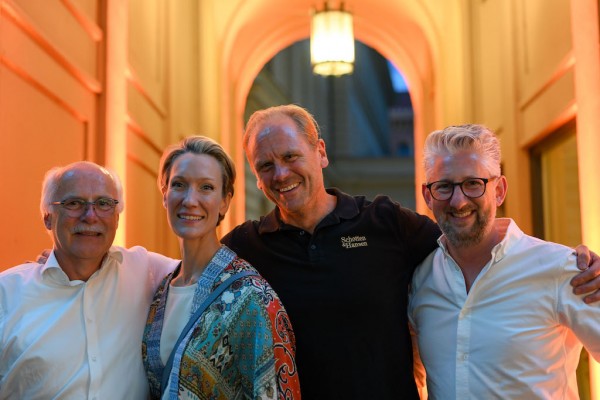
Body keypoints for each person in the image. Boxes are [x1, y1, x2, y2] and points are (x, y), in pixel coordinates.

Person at [221, 104, 600, 399]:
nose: (281, 174)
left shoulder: (386, 224)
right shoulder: (246, 247)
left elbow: (468, 232)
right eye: (266, 165)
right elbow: (190, 286)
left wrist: (560, 260)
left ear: (320, 152)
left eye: (290, 157)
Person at [408, 124, 600, 399]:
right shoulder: (421, 280)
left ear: (499, 190)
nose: (459, 201)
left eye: (473, 183)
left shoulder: (564, 269)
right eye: (445, 186)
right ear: (428, 195)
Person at [0, 161, 178, 399]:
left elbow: (212, 272)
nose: (90, 216)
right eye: (74, 203)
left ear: (117, 218)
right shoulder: (7, 295)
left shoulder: (147, 271)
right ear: (47, 217)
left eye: (104, 204)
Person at [142, 136, 300, 399]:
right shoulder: (159, 291)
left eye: (206, 187)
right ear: (164, 195)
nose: (190, 200)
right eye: (179, 185)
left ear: (225, 201)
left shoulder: (251, 296)